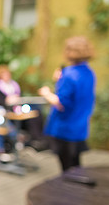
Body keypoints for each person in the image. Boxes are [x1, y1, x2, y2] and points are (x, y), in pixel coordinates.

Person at [39, 36, 96, 172]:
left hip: (64, 128)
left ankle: (68, 192)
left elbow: (61, 103)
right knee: (76, 165)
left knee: (66, 169)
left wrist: (46, 92)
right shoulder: (89, 73)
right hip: (80, 125)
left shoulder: (69, 74)